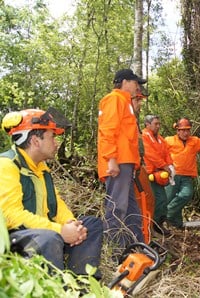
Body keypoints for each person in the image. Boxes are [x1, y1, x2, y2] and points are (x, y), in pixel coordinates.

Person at [0, 108, 103, 279]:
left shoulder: (42, 168)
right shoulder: (7, 165)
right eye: (52, 137)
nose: (56, 143)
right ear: (35, 141)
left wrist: (72, 224)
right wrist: (61, 230)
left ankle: (82, 284)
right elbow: (11, 216)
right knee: (50, 238)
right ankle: (55, 289)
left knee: (91, 225)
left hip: (42, 234)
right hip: (13, 241)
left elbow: (57, 203)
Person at [97, 69, 146, 251]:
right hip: (118, 162)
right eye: (135, 83)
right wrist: (111, 159)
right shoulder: (114, 99)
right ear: (125, 82)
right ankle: (113, 251)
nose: (137, 87)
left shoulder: (125, 103)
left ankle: (135, 248)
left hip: (126, 163)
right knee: (117, 209)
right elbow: (108, 130)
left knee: (132, 212)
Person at [142, 115, 175, 236]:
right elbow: (150, 154)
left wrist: (170, 165)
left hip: (159, 174)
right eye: (156, 124)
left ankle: (158, 223)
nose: (158, 126)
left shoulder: (160, 139)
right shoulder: (144, 137)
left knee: (162, 199)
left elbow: (167, 153)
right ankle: (154, 225)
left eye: (159, 124)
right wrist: (164, 165)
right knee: (156, 200)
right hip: (148, 174)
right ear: (147, 124)